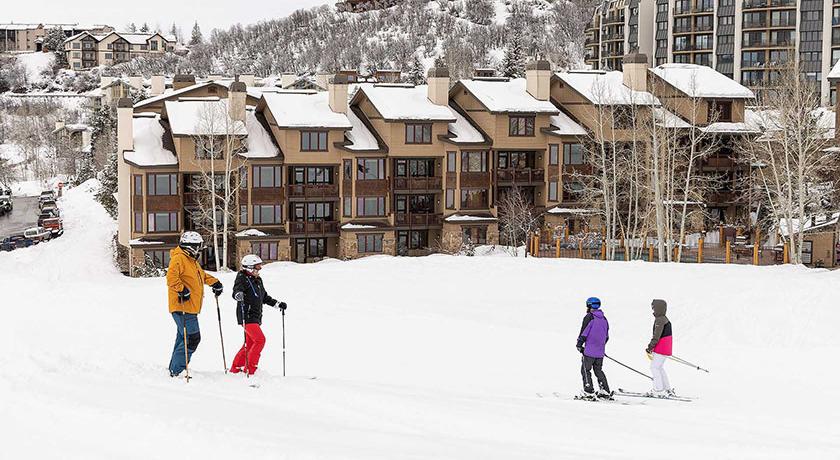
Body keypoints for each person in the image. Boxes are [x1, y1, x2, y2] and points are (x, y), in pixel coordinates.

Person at [166, 231, 223, 377]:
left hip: (190, 307)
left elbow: (201, 275)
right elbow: (171, 278)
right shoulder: (179, 258)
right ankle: (176, 371)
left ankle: (174, 369)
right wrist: (182, 289)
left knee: (183, 338)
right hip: (182, 306)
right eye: (198, 246)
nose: (200, 248)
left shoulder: (191, 260)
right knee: (192, 338)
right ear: (190, 246)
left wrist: (214, 282)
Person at [230, 254, 286, 376]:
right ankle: (250, 369)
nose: (260, 269)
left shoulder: (258, 280)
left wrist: (277, 304)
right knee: (260, 340)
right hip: (247, 315)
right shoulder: (241, 277)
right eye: (258, 267)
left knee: (250, 343)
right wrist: (238, 294)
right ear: (250, 268)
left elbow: (264, 297)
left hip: (255, 316)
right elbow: (236, 290)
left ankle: (236, 368)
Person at [576, 297, 611, 400]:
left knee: (585, 370)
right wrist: (600, 347)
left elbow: (584, 332)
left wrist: (579, 344)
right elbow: (606, 336)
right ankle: (605, 390)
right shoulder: (604, 319)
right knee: (598, 370)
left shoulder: (589, 317)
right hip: (600, 351)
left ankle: (588, 391)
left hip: (589, 350)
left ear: (588, 305)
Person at [645, 299, 674, 397]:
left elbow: (656, 336)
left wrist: (650, 347)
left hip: (661, 347)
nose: (653, 310)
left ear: (658, 308)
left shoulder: (660, 320)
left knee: (654, 367)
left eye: (653, 308)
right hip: (665, 348)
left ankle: (658, 390)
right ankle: (667, 389)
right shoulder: (664, 318)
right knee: (659, 368)